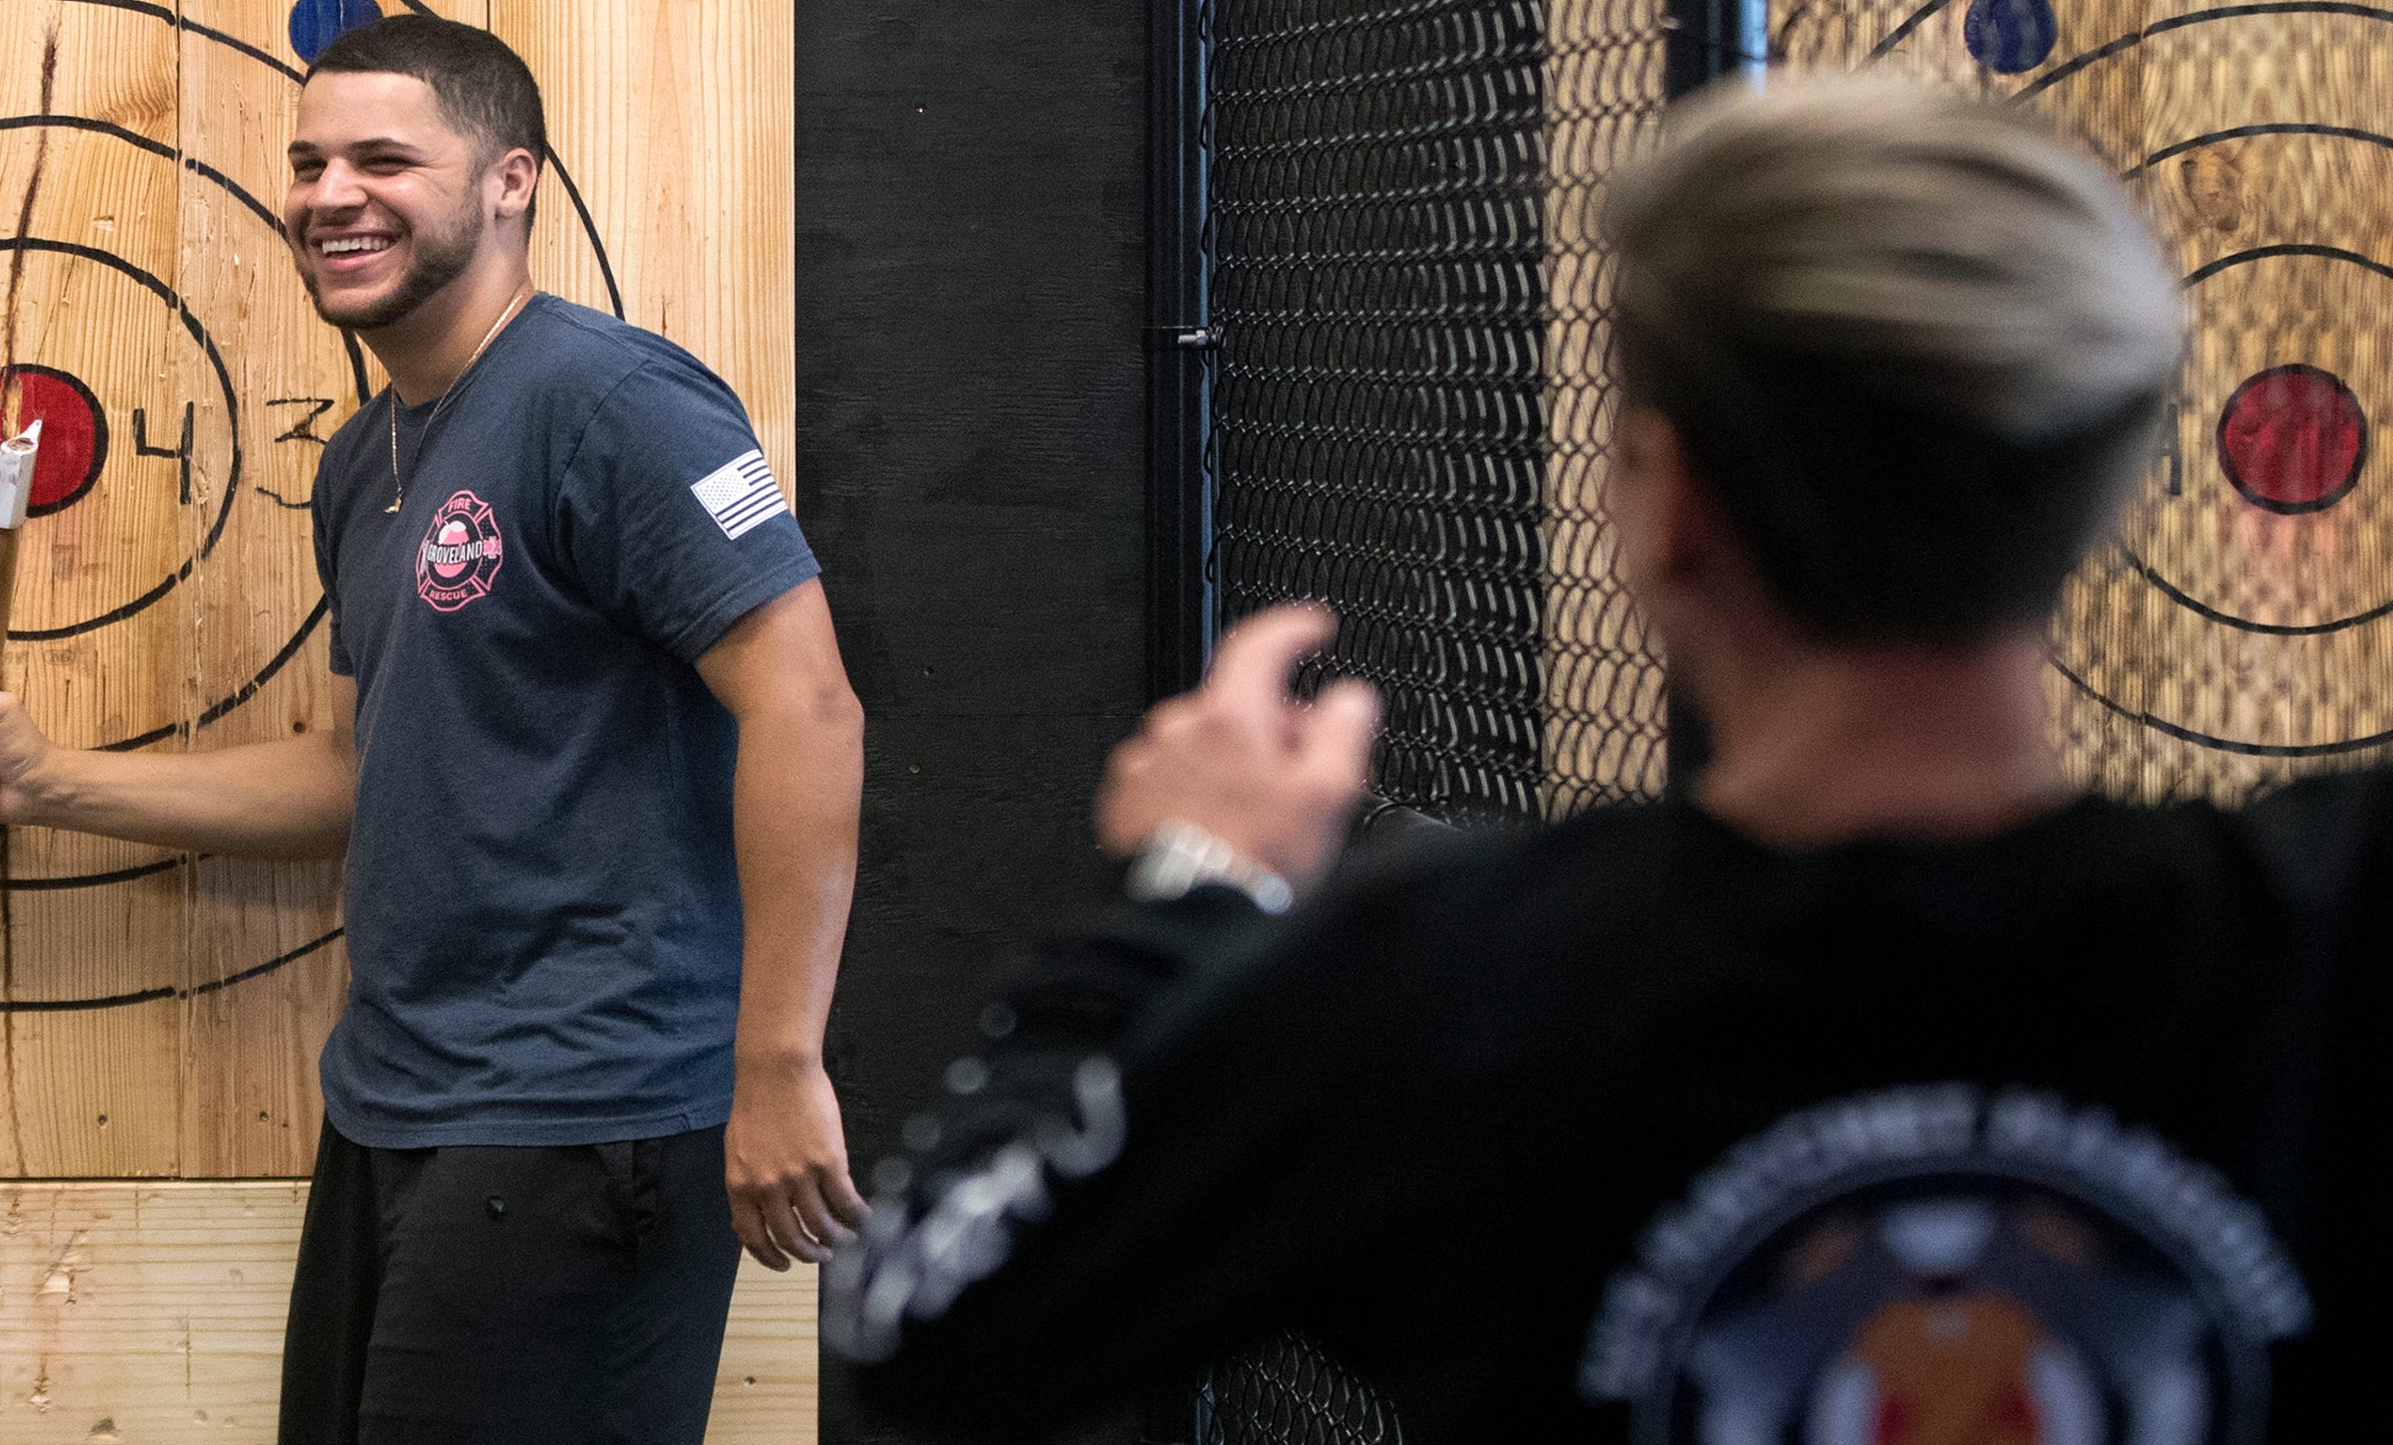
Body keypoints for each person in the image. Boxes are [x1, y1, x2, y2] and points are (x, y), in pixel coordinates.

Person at [829, 76, 2393, 1442]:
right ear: (2110, 488)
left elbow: (927, 1321)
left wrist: (1191, 891)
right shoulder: (2326, 950)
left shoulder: (1461, 984)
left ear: (1663, 504)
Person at [0, 14, 866, 1444]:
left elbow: (807, 702)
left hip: (583, 1109)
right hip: (400, 1106)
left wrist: (780, 1063)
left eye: (382, 158)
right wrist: (56, 786)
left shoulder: (608, 401)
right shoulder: (369, 459)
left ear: (510, 181)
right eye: (307, 162)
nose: (328, 194)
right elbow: (351, 770)